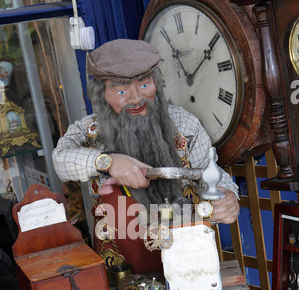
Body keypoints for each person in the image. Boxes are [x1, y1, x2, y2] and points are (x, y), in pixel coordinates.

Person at [52, 39, 239, 274]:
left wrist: (228, 196)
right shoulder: (89, 132)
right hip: (124, 273)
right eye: (121, 90)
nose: (135, 99)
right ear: (101, 95)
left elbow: (212, 173)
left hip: (191, 262)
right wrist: (107, 161)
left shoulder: (183, 124)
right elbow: (60, 160)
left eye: (144, 85)